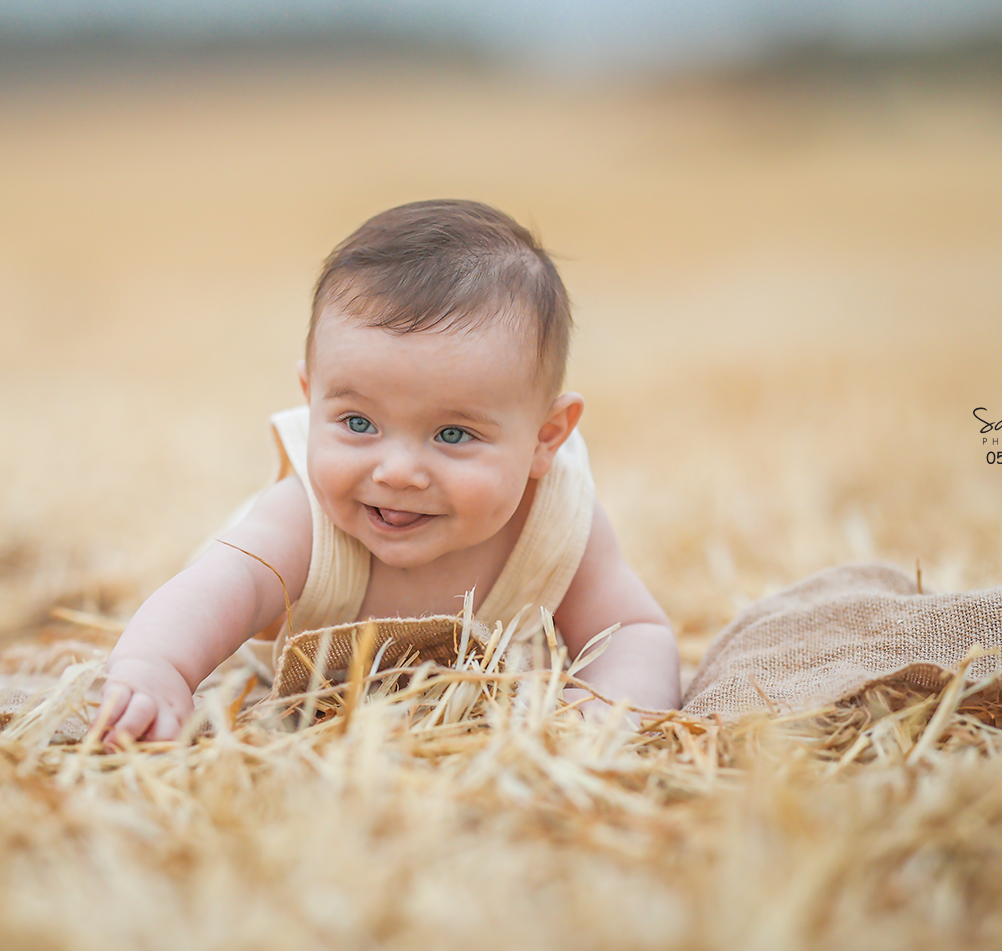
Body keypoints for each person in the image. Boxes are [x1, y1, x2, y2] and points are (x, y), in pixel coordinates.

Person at [95, 200, 681, 744]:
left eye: (453, 434)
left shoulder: (553, 520)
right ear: (311, 399)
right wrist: (157, 667)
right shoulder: (306, 518)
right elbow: (215, 590)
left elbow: (633, 631)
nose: (397, 471)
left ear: (545, 439)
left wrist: (613, 712)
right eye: (357, 423)